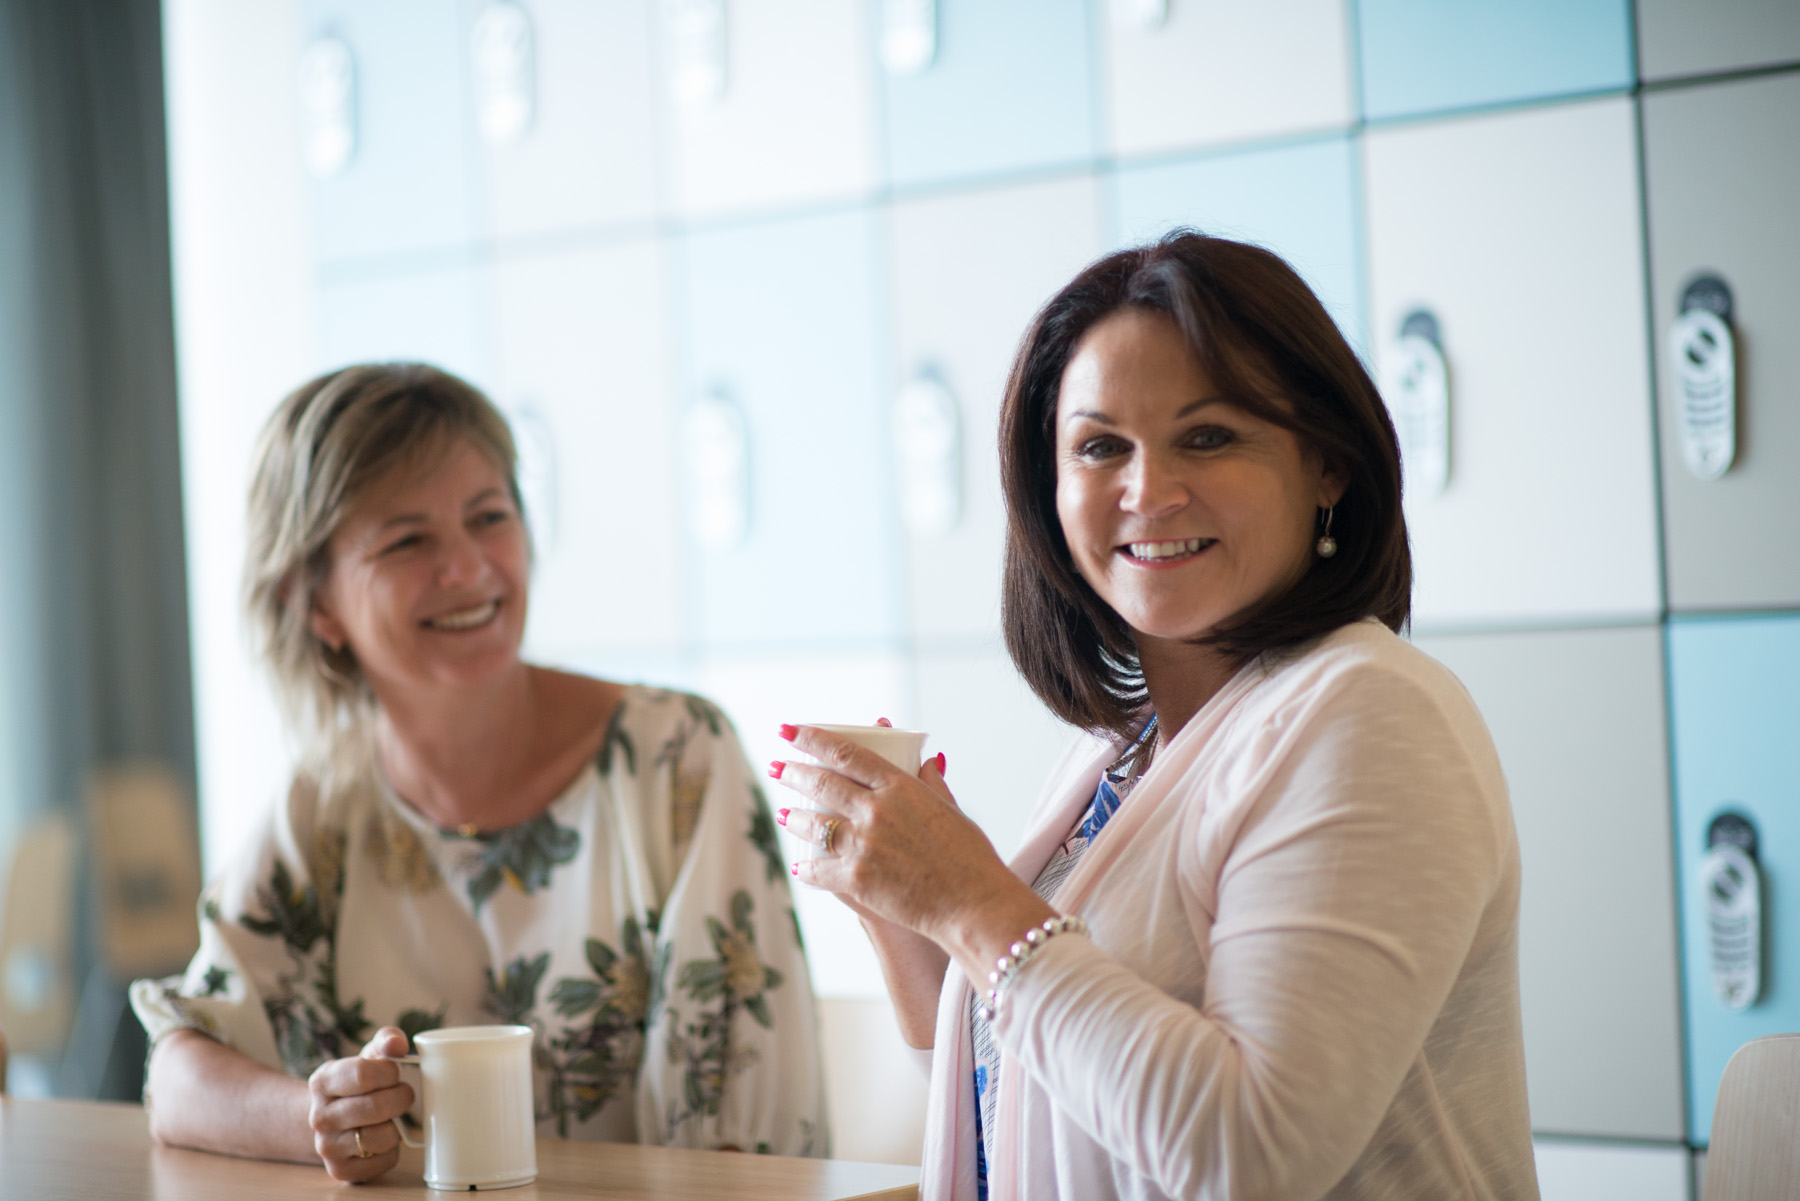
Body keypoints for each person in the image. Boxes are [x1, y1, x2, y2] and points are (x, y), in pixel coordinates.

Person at [771, 232, 1538, 1199]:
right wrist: (906, 901)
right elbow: (1023, 1095)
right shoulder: (1116, 752)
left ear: (1328, 468)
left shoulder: (1371, 713)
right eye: (1100, 447)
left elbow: (1245, 1156)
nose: (1150, 491)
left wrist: (972, 898)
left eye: (1208, 436)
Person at [132, 363, 826, 1181]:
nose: (467, 568)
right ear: (316, 602)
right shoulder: (323, 804)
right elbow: (178, 1076)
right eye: (407, 539)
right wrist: (315, 1118)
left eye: (488, 516)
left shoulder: (676, 759)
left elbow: (736, 1147)